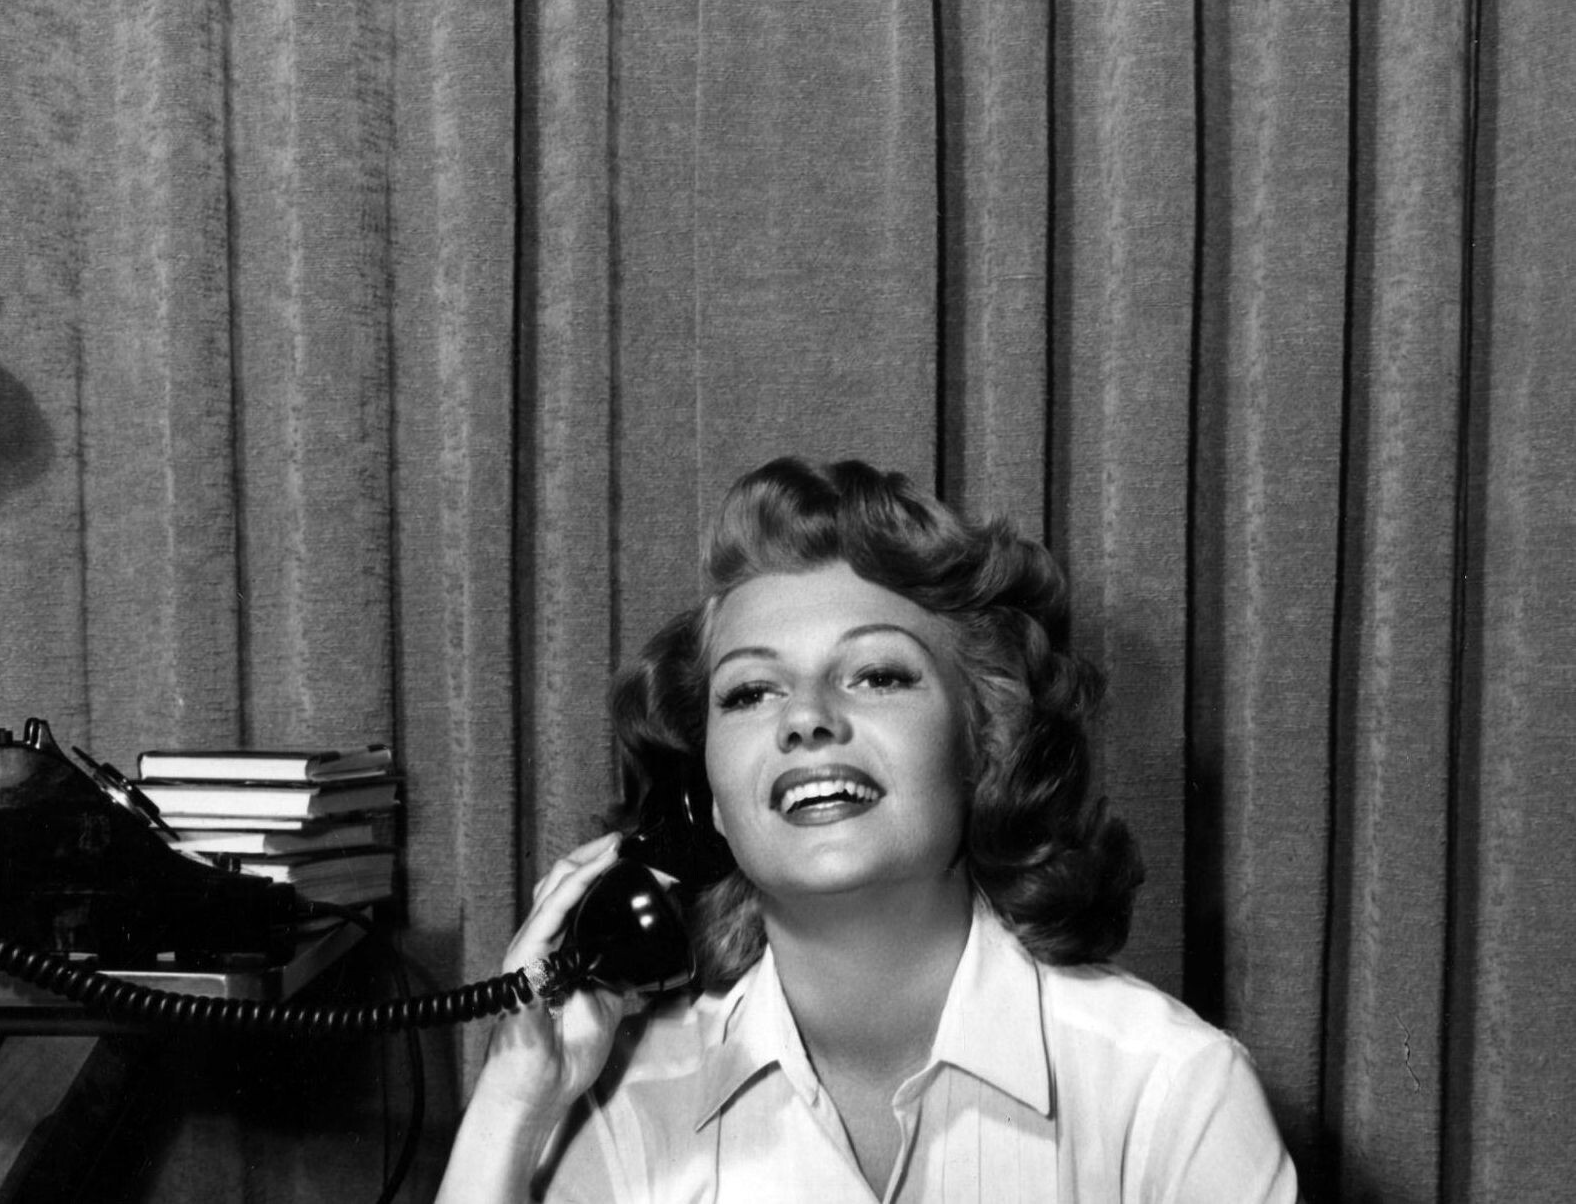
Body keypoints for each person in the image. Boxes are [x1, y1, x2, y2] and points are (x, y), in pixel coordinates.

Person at [437, 456, 1299, 1202]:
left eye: (878, 675)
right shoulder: (627, 1105)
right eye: (751, 691)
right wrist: (513, 1101)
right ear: (705, 801)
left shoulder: (1168, 1090)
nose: (806, 717)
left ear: (986, 743)